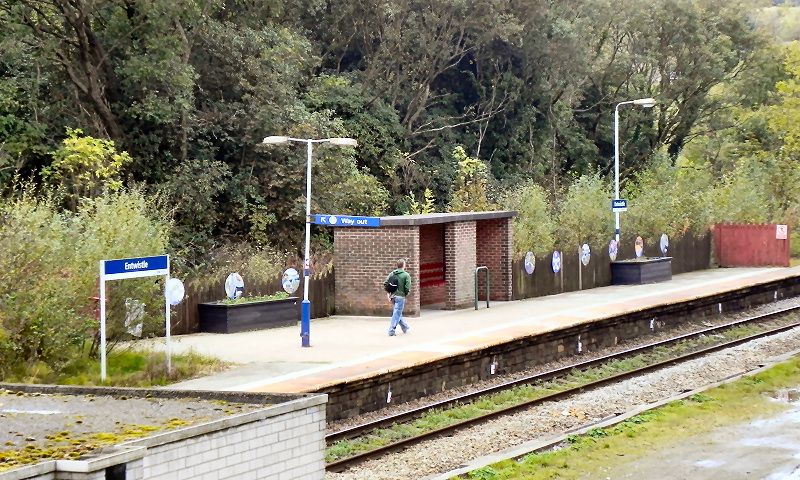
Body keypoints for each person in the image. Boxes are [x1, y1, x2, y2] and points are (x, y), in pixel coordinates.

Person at [386, 259, 411, 336]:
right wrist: (405, 293)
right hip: (400, 297)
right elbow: (407, 287)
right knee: (396, 313)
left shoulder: (392, 273)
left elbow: (386, 283)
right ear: (404, 265)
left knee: (397, 313)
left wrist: (388, 294)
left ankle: (405, 327)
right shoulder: (406, 275)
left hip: (393, 296)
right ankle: (391, 330)